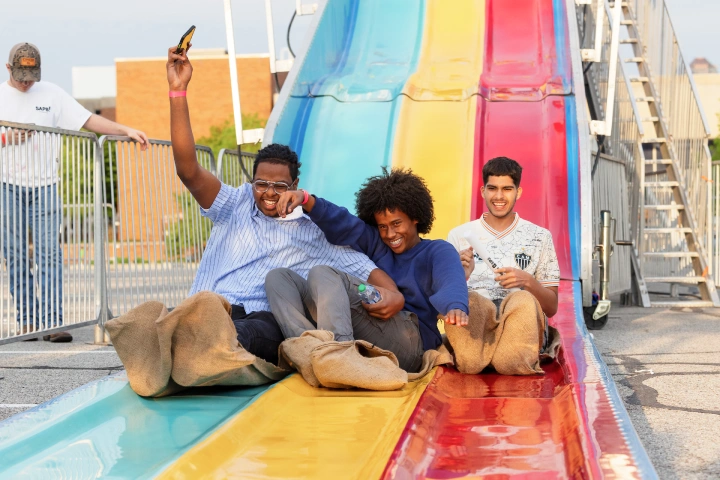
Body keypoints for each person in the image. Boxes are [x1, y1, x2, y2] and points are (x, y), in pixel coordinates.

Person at [166, 45, 401, 366]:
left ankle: (206, 347)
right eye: (261, 184)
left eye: (279, 186)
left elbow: (369, 273)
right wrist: (178, 91)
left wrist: (394, 296)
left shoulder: (313, 231)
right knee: (186, 319)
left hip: (260, 320)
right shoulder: (235, 204)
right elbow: (187, 169)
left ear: (294, 187)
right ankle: (186, 338)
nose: (269, 193)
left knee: (254, 332)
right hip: (213, 308)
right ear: (252, 182)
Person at [0, 42, 149, 342]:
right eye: (21, 77)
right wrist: (7, 138)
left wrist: (125, 129)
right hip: (7, 185)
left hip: (45, 185)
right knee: (15, 255)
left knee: (50, 254)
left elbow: (88, 120)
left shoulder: (52, 93)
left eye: (31, 76)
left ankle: (53, 323)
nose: (27, 83)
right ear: (8, 70)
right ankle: (28, 323)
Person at [270, 168, 469, 373]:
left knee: (323, 273)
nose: (390, 234)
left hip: (410, 340)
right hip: (373, 317)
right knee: (278, 278)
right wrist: (306, 199)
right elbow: (344, 223)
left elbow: (450, 278)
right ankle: (307, 350)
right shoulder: (378, 243)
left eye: (396, 223)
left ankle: (340, 359)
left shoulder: (436, 250)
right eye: (382, 227)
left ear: (415, 217)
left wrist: (455, 305)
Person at [447, 156, 560, 366]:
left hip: (520, 323)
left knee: (521, 301)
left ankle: (501, 356)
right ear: (483, 191)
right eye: (492, 188)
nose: (499, 196)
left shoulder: (539, 236)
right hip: (478, 325)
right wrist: (462, 276)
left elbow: (551, 307)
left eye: (507, 189)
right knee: (472, 301)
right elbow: (444, 301)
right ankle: (480, 356)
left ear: (518, 192)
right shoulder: (459, 236)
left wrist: (527, 282)